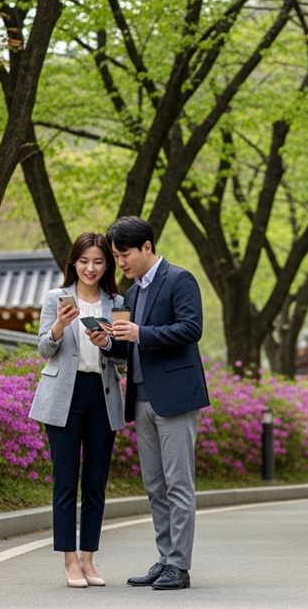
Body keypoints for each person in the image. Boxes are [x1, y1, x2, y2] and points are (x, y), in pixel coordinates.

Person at [102, 216, 209, 591]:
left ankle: (179, 565)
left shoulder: (179, 279)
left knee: (179, 484)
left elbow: (191, 328)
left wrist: (140, 333)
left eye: (124, 254)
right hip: (142, 398)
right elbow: (130, 345)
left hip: (176, 398)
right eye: (115, 257)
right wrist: (109, 342)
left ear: (146, 247)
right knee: (155, 485)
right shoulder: (131, 294)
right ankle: (165, 559)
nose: (120, 264)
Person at [30, 232, 126, 589]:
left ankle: (89, 558)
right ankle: (69, 560)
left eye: (99, 262)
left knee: (96, 482)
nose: (91, 268)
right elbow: (43, 348)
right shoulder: (56, 297)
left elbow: (122, 359)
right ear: (73, 262)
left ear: (107, 265)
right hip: (63, 395)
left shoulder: (116, 301)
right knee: (66, 480)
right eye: (84, 261)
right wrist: (59, 326)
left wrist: (107, 343)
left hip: (102, 394)